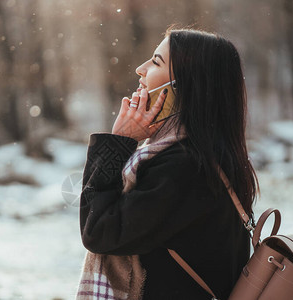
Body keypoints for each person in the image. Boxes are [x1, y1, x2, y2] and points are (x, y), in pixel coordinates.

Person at [76, 26, 259, 300]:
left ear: (184, 85)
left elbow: (99, 231)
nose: (140, 68)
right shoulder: (210, 156)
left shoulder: (185, 167)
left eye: (156, 61)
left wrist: (118, 142)